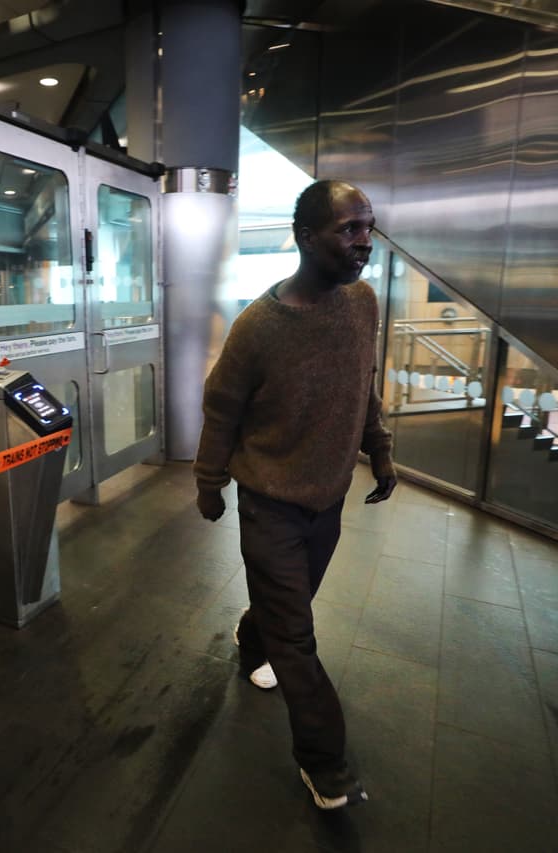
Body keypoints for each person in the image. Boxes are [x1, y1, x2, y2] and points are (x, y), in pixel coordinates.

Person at [193, 180, 396, 810]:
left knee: (288, 607)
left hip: (327, 500)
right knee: (298, 639)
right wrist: (208, 480)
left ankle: (253, 635)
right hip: (270, 502)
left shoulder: (362, 304)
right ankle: (326, 764)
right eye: (347, 230)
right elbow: (222, 408)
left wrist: (380, 450)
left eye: (368, 227)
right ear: (307, 238)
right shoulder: (259, 326)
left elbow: (360, 386)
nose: (363, 242)